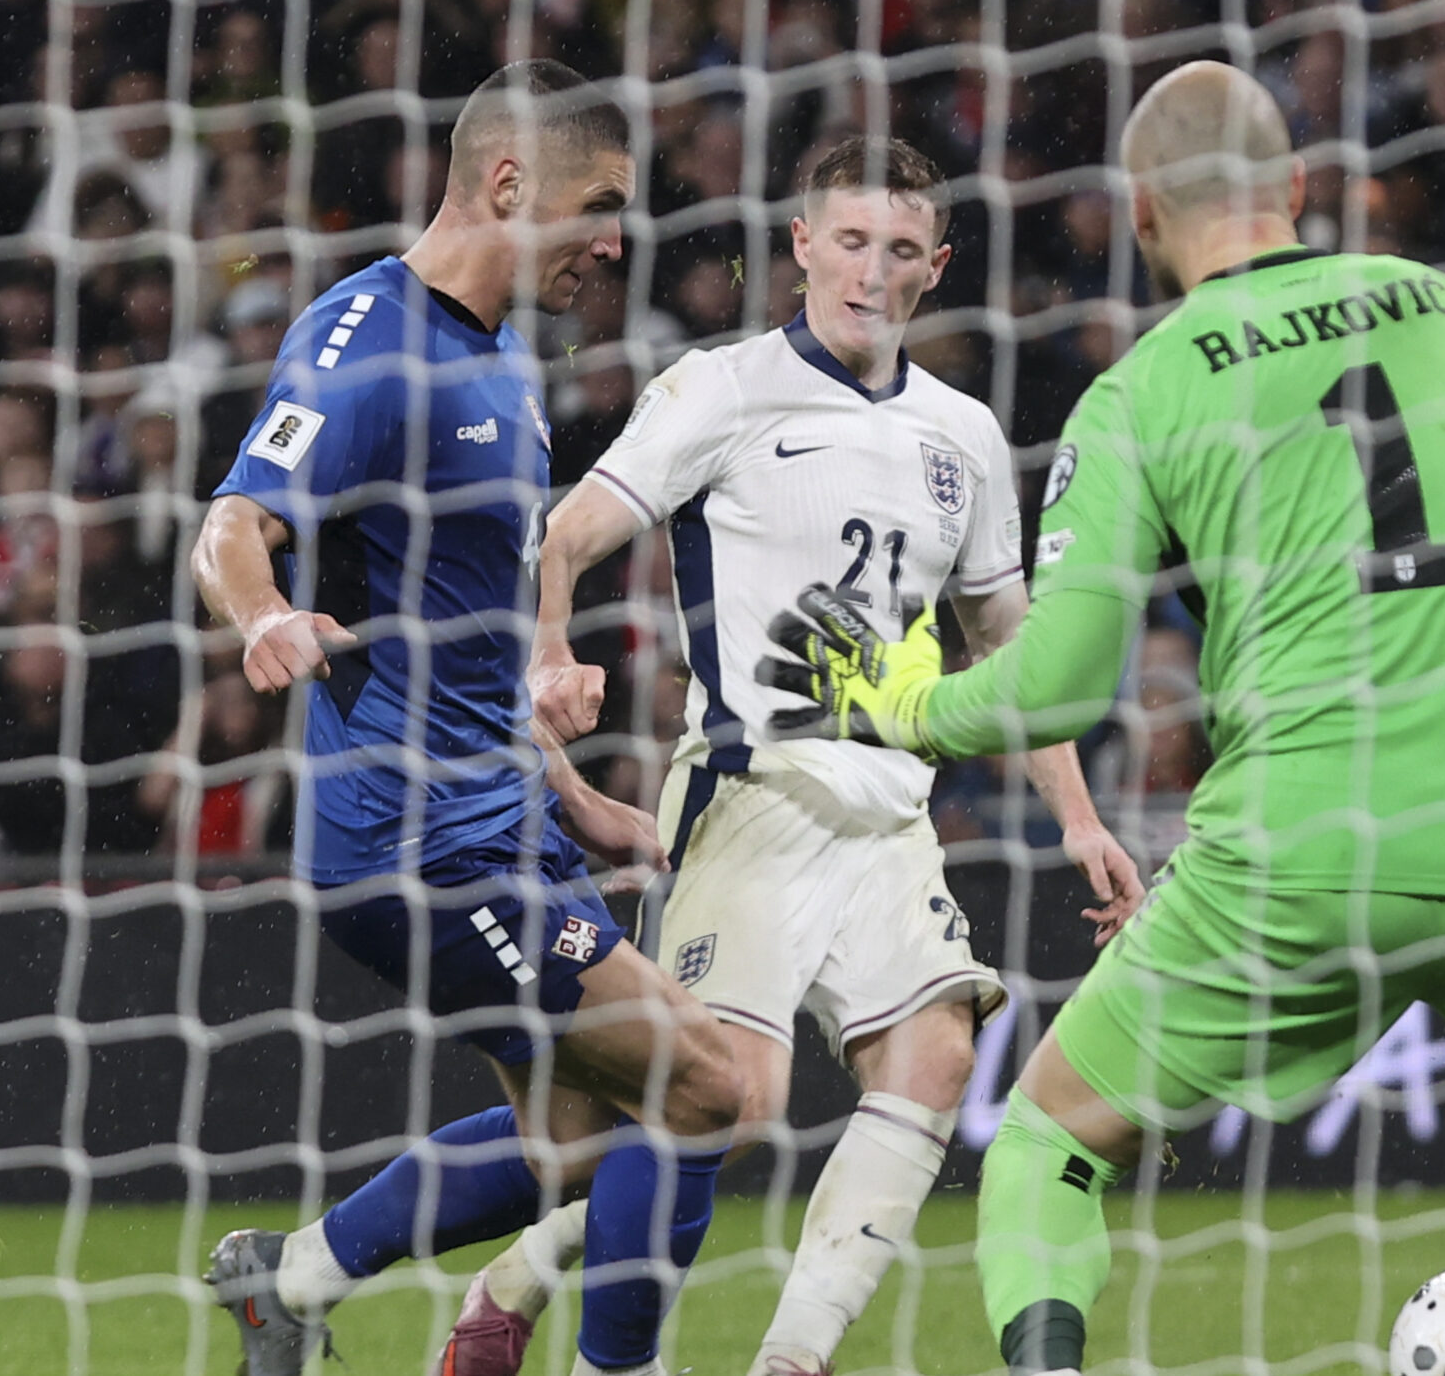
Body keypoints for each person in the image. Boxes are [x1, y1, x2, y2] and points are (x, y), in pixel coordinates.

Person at [760, 63, 1445, 1376]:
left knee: (1046, 1139)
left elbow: (1057, 687)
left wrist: (895, 696)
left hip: (1305, 848)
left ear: (1142, 212)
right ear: (1303, 190)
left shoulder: (1143, 388)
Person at [441, 136, 1146, 1376]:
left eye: (900, 249)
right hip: (748, 790)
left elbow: (1005, 640)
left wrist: (1077, 817)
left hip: (889, 806)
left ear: (938, 266)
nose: (871, 273)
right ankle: (504, 1272)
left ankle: (792, 1358)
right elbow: (564, 535)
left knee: (935, 1047)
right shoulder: (723, 387)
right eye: (850, 242)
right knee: (722, 1102)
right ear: (802, 247)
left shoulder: (966, 435)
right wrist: (550, 651)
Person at [188, 60, 745, 1376]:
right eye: (598, 205)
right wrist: (265, 614)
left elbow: (470, 653)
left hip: (505, 822)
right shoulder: (365, 340)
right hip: (418, 850)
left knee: (583, 1146)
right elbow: (233, 523)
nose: (617, 240)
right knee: (707, 1084)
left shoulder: (500, 360)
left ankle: (294, 1277)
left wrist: (580, 794)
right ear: (508, 182)